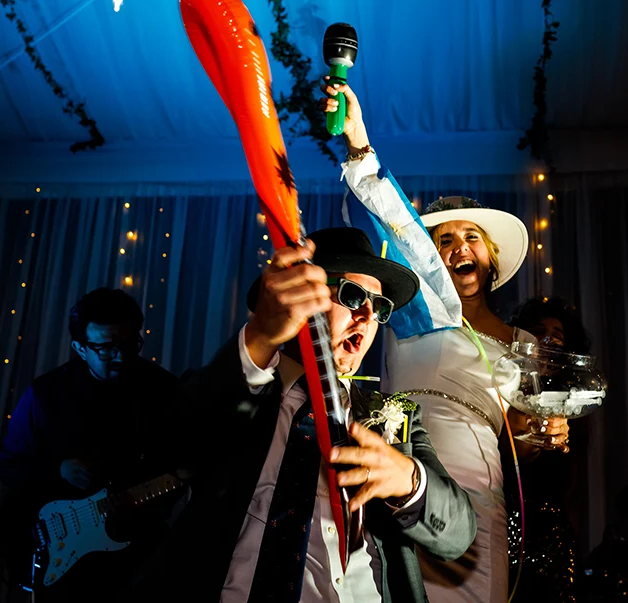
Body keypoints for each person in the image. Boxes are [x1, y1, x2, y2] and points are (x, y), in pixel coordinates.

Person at [322, 80, 569, 602]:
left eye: (471, 237)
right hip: (406, 479)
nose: (460, 247)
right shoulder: (417, 311)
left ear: (491, 259)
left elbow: (523, 430)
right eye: (445, 240)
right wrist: (360, 150)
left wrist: (545, 434)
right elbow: (390, 228)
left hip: (483, 500)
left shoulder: (521, 342)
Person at [139, 227, 477, 601]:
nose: (367, 316)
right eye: (352, 296)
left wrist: (409, 482)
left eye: (379, 307)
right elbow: (171, 446)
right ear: (302, 298)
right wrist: (260, 336)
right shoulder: (237, 388)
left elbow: (458, 533)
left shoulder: (394, 418)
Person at [0, 288, 182, 601]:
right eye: (107, 349)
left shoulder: (164, 391)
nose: (121, 357)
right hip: (64, 563)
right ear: (80, 349)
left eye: (129, 344)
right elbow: (10, 465)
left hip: (135, 557)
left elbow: (179, 466)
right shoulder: (46, 394)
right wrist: (57, 472)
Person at [505, 296, 592, 603]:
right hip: (503, 530)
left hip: (552, 539)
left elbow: (567, 485)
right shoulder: (503, 392)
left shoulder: (575, 406)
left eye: (558, 334)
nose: (549, 338)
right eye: (539, 330)